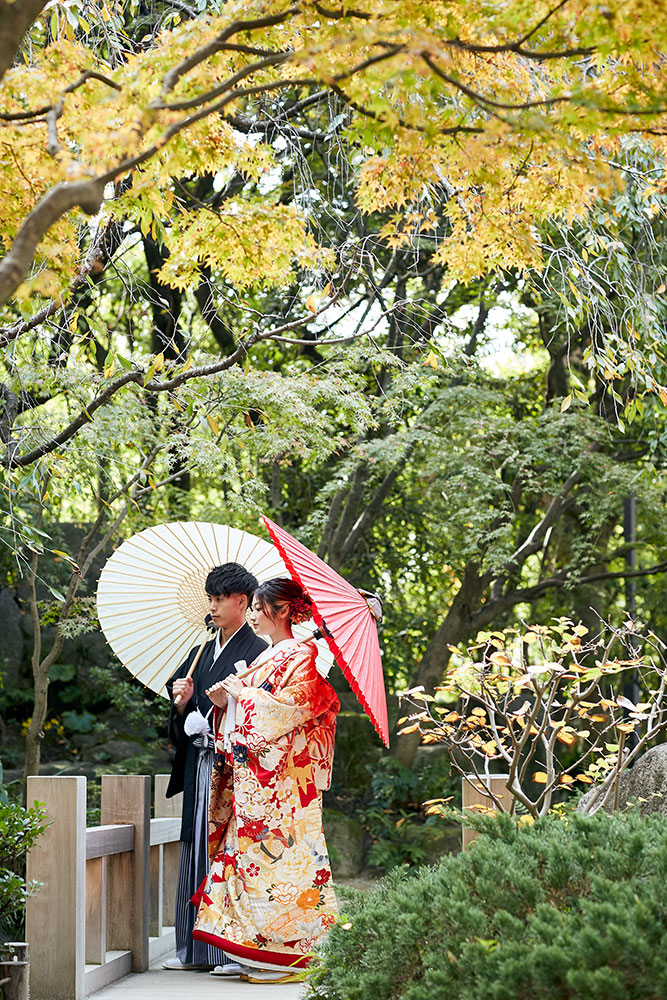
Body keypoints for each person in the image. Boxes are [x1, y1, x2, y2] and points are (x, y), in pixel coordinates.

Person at [192, 577, 340, 984]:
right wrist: (226, 700)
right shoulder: (274, 655)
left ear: (284, 611)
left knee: (284, 864)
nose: (254, 615)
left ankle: (289, 954)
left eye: (260, 608)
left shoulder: (302, 655)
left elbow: (294, 708)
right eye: (253, 607)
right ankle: (261, 950)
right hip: (257, 781)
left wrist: (245, 695)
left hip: (285, 785)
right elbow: (245, 711)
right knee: (249, 862)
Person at [162, 563, 268, 972]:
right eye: (210, 598)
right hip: (199, 763)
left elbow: (260, 713)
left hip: (232, 767)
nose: (213, 606)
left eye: (220, 598)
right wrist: (183, 703)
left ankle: (231, 951)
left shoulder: (258, 652)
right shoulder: (200, 652)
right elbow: (178, 723)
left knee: (230, 850)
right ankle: (192, 950)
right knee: (195, 852)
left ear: (242, 601)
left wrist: (226, 714)